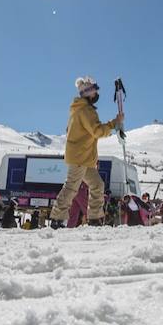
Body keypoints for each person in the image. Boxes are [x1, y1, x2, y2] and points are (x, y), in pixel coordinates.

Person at [48, 77, 123, 227]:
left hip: (84, 157)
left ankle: (95, 218)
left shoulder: (77, 109)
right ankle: (57, 218)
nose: (97, 93)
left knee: (97, 184)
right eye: (95, 90)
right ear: (88, 92)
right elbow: (97, 131)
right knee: (71, 187)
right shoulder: (86, 110)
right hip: (80, 157)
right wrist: (115, 123)